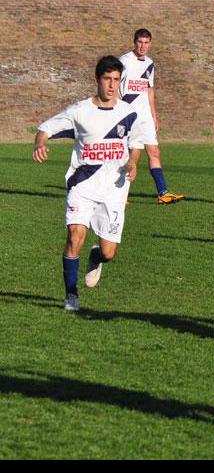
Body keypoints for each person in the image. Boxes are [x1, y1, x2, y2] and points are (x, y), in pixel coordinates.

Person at [32, 55, 142, 312]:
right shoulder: (80, 111)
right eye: (107, 79)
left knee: (109, 252)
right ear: (97, 80)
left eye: (117, 80)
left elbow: (135, 145)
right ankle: (71, 295)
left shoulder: (128, 113)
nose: (112, 85)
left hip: (114, 189)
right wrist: (40, 143)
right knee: (74, 236)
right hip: (83, 184)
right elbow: (45, 128)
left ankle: (96, 256)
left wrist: (134, 162)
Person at [119, 28, 184, 204]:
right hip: (129, 116)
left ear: (150, 44)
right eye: (140, 42)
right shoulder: (124, 61)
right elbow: (117, 88)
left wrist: (154, 116)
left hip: (146, 117)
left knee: (154, 151)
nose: (143, 46)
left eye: (146, 43)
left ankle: (163, 193)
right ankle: (120, 196)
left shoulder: (150, 63)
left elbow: (149, 90)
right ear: (134, 42)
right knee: (133, 155)